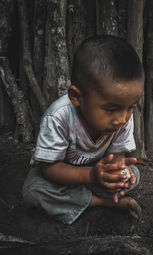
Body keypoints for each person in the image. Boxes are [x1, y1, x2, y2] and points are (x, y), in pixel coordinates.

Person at [22, 35, 144, 225]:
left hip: (96, 172)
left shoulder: (122, 117)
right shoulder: (58, 117)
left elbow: (117, 155)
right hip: (60, 174)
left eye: (130, 107)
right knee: (34, 191)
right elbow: (49, 169)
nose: (122, 118)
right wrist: (91, 176)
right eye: (111, 109)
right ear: (76, 97)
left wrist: (118, 171)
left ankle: (82, 198)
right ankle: (102, 202)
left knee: (134, 174)